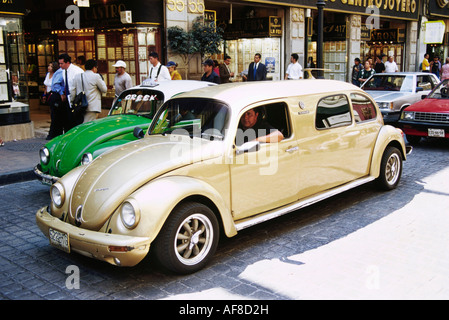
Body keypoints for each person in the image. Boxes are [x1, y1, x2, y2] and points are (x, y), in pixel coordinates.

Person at [70, 59, 107, 124]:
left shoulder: (77, 76)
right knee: (88, 125)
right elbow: (104, 89)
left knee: (80, 124)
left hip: (80, 105)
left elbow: (72, 91)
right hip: (91, 106)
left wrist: (72, 102)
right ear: (94, 67)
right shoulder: (96, 76)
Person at [58, 53, 84, 132]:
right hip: (68, 98)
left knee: (75, 121)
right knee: (67, 120)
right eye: (59, 63)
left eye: (62, 63)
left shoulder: (77, 71)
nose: (60, 65)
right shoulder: (64, 71)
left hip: (76, 99)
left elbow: (80, 87)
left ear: (67, 62)